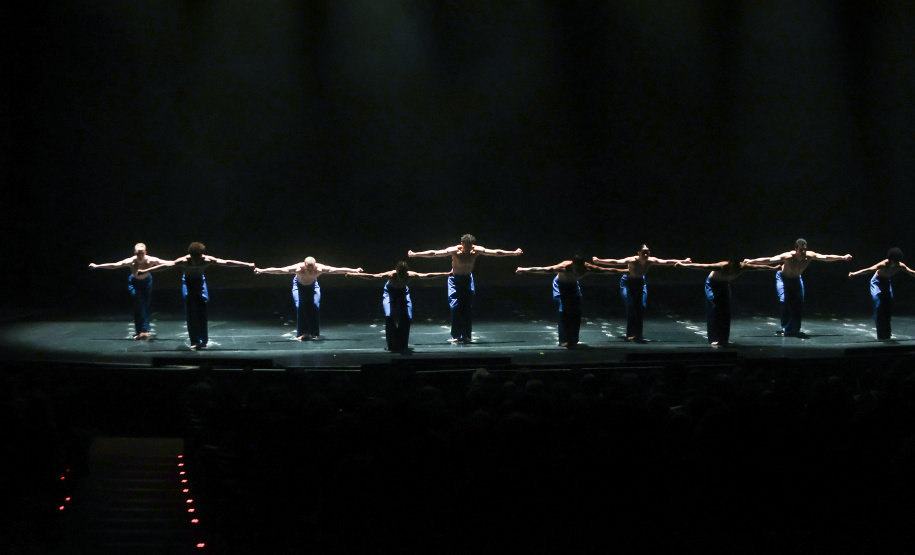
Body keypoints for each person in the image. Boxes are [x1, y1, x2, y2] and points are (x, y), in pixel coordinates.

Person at [138, 242, 254, 349]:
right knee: (191, 309)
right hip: (187, 283)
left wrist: (246, 264)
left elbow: (227, 262)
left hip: (200, 282)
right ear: (190, 255)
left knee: (202, 308)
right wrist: (146, 271)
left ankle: (203, 340)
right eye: (194, 257)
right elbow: (165, 266)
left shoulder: (207, 260)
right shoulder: (184, 261)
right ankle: (194, 341)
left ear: (201, 255)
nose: (196, 259)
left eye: (198, 257)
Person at [408, 234, 522, 343]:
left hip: (467, 279)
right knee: (455, 306)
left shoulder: (476, 250)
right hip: (454, 280)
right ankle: (456, 335)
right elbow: (435, 253)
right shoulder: (455, 251)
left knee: (466, 307)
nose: (469, 248)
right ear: (462, 244)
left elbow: (496, 253)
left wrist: (513, 253)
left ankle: (467, 335)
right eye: (467, 246)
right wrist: (416, 254)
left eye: (471, 246)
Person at [745, 239, 852, 337]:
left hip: (796, 279)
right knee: (784, 301)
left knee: (799, 302)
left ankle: (794, 329)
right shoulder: (788, 256)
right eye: (801, 249)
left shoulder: (809, 256)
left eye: (805, 249)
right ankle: (787, 329)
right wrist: (751, 261)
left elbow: (826, 257)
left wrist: (842, 257)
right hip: (783, 279)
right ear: (796, 249)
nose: (803, 252)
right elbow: (769, 260)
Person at [516, 255, 625, 348]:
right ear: (573, 264)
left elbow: (606, 270)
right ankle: (564, 340)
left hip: (573, 286)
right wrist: (523, 269)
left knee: (576, 312)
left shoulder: (587, 268)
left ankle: (573, 339)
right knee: (563, 311)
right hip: (560, 286)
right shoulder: (564, 267)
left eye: (581, 268)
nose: (579, 270)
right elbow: (543, 269)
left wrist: (624, 271)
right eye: (577, 268)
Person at [592, 245, 691, 342]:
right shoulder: (632, 260)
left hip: (640, 283)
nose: (645, 254)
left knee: (641, 306)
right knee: (631, 306)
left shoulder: (651, 261)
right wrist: (599, 261)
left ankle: (638, 334)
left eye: (647, 252)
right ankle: (630, 334)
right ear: (638, 253)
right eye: (643, 252)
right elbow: (616, 262)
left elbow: (666, 262)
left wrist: (683, 261)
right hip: (627, 283)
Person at [346, 262, 452, 352]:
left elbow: (428, 275)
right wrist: (353, 275)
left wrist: (445, 274)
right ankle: (391, 344)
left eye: (403, 273)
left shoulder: (410, 275)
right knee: (389, 315)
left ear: (406, 272)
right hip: (390, 293)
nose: (401, 276)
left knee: (408, 317)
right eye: (400, 273)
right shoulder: (391, 275)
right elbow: (372, 276)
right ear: (396, 271)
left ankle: (402, 344)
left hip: (403, 293)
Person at [676, 259, 780, 347]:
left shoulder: (743, 267)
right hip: (712, 284)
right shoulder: (721, 266)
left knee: (725, 309)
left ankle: (723, 339)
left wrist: (773, 268)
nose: (732, 271)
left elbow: (758, 267)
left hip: (724, 284)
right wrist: (683, 265)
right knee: (714, 308)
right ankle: (713, 338)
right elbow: (700, 266)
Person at [255, 257, 363, 341]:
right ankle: (302, 333)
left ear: (315, 265)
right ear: (305, 265)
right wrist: (262, 271)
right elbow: (279, 270)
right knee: (300, 306)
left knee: (315, 306)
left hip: (313, 286)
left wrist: (354, 270)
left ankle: (314, 332)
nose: (310, 269)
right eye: (308, 267)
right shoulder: (298, 268)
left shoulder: (320, 268)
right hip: (299, 287)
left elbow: (336, 270)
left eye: (312, 267)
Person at [88, 243, 170, 339]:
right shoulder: (131, 261)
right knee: (139, 303)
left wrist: (181, 262)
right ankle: (142, 330)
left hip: (147, 282)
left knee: (145, 305)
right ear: (135, 253)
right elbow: (115, 265)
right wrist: (97, 266)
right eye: (138, 253)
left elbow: (166, 263)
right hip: (134, 283)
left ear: (145, 252)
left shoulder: (150, 260)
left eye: (142, 253)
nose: (140, 255)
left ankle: (143, 330)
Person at [848, 248, 915, 340]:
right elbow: (869, 269)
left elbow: (911, 272)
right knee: (878, 304)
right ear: (890, 259)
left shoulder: (900, 266)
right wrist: (854, 274)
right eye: (894, 261)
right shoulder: (884, 264)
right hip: (877, 282)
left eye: (897, 261)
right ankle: (880, 333)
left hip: (886, 282)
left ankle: (887, 332)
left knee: (888, 304)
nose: (895, 263)